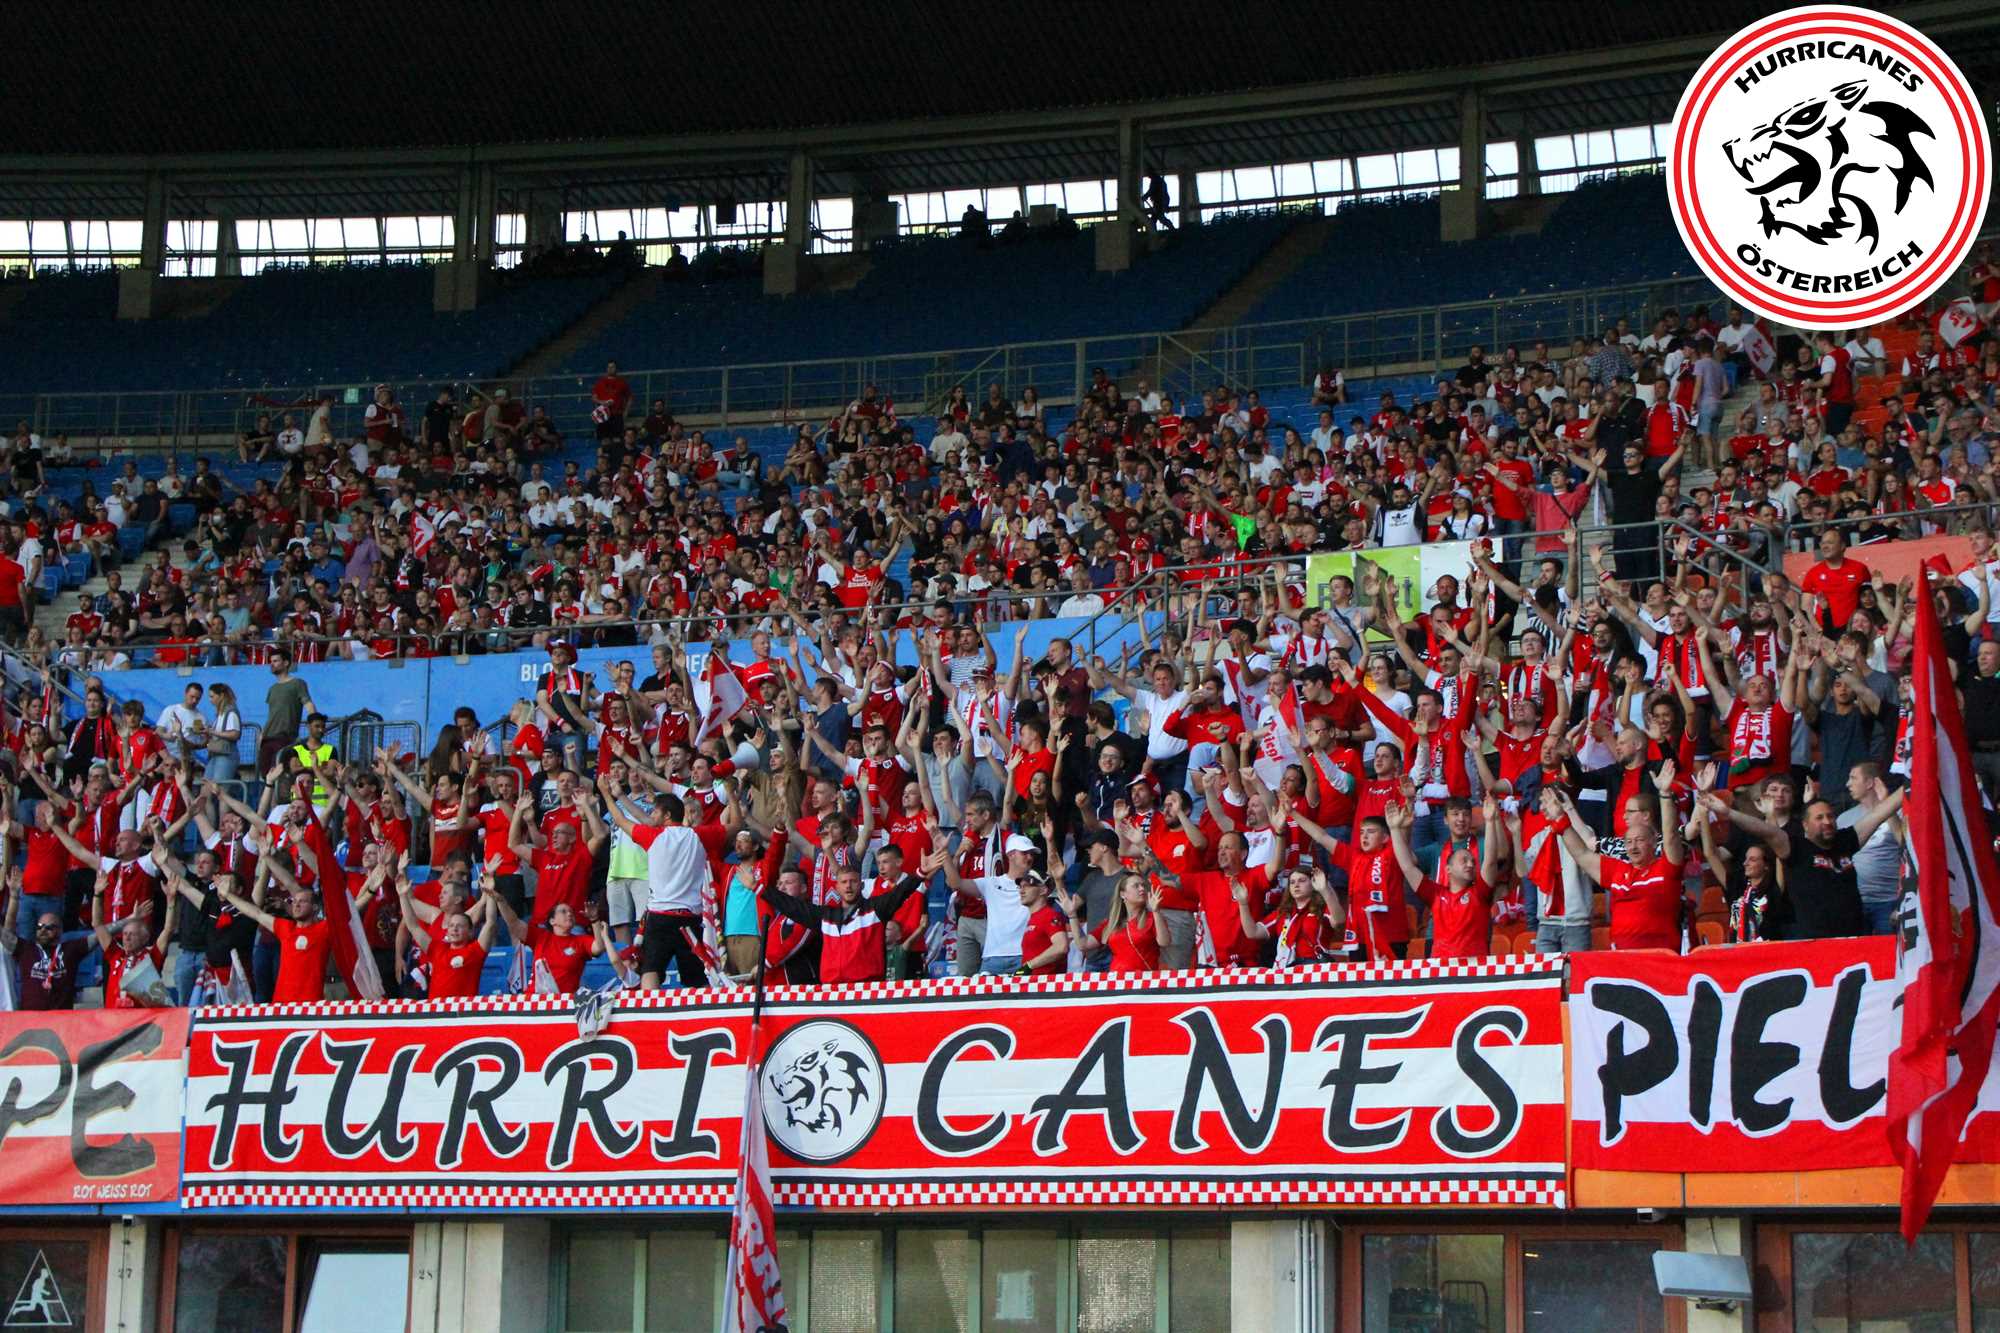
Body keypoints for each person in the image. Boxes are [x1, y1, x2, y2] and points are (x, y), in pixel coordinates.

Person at [1556, 763, 1686, 951]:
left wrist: (1665, 794)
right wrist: (1560, 820)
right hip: (1622, 960)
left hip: (1660, 959)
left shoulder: (1666, 868)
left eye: (1639, 840)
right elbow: (1582, 854)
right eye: (1629, 842)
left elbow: (1671, 835)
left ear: (1653, 842)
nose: (1633, 846)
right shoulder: (1617, 869)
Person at [260, 649, 315, 774]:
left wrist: (314, 725)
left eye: (275, 661)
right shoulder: (272, 688)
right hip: (267, 738)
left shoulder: (297, 683)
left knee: (280, 772)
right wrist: (262, 734)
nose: (272, 664)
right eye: (271, 661)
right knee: (266, 774)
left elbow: (308, 705)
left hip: (285, 736)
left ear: (286, 663)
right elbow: (272, 714)